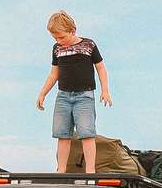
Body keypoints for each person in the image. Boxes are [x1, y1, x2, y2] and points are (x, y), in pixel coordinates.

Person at [34, 11, 112, 173]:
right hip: (63, 96)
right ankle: (61, 169)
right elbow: (53, 74)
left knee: (87, 133)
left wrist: (105, 90)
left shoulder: (89, 45)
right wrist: (42, 93)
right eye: (55, 38)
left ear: (73, 30)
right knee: (62, 135)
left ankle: (90, 170)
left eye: (61, 37)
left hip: (84, 96)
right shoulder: (57, 49)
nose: (59, 41)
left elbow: (101, 68)